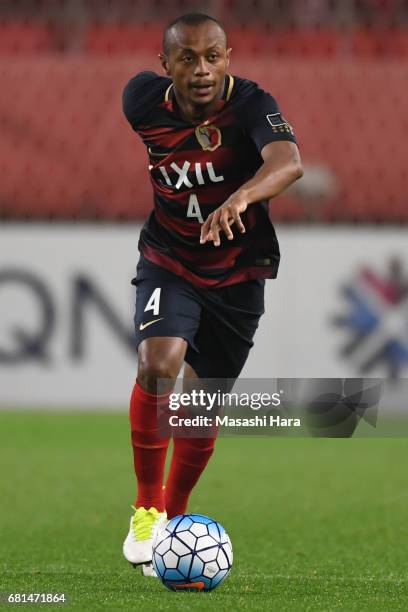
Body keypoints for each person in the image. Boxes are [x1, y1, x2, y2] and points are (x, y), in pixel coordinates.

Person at [121, 12, 303, 576]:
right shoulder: (141, 102)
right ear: (165, 65)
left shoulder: (251, 104)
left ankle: (174, 523)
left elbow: (288, 161)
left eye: (213, 57)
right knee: (159, 362)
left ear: (228, 57)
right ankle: (147, 508)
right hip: (169, 259)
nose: (202, 69)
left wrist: (242, 198)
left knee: (199, 406)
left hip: (239, 270)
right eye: (188, 58)